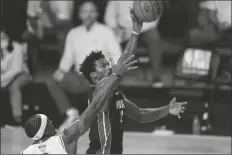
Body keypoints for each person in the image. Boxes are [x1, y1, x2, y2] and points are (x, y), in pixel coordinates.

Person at [80, 9, 187, 154]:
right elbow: (124, 60)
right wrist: (135, 33)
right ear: (93, 75)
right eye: (103, 65)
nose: (109, 66)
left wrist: (167, 109)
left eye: (108, 64)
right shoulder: (96, 90)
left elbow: (141, 115)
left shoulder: (116, 95)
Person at [21, 54, 138, 154]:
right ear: (45, 131)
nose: (52, 122)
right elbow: (93, 109)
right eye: (49, 123)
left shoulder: (25, 152)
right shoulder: (65, 139)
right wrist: (114, 76)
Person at [47, 0, 121, 131]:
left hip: (99, 78)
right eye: (85, 12)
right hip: (79, 78)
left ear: (97, 14)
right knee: (52, 81)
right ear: (80, 15)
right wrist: (61, 70)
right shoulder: (73, 33)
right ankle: (71, 113)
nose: (88, 15)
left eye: (92, 11)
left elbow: (117, 55)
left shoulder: (106, 32)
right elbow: (68, 57)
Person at [104, 1, 164, 87]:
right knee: (108, 37)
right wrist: (114, 28)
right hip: (122, 29)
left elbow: (155, 17)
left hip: (144, 28)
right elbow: (109, 15)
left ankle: (156, 76)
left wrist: (137, 28)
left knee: (154, 38)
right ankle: (112, 76)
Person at [1, 30, 31, 125]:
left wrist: (2, 80)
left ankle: (17, 117)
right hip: (4, 76)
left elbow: (16, 69)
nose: (1, 40)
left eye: (3, 37)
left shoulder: (17, 47)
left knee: (14, 86)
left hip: (21, 74)